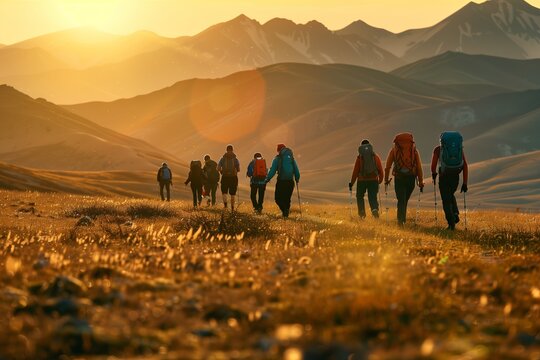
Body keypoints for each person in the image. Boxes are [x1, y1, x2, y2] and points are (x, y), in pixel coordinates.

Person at [431, 132, 469, 231]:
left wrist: (434, 174)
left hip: (443, 177)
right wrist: (465, 183)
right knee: (450, 194)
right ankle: (455, 213)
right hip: (455, 176)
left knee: (446, 200)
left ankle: (451, 224)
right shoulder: (459, 150)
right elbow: (465, 165)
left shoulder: (438, 149)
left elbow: (433, 165)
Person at [384, 133, 424, 226]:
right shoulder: (414, 151)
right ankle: (402, 220)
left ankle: (400, 221)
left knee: (401, 199)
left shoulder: (394, 150)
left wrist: (386, 179)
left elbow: (388, 166)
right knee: (404, 200)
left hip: (399, 177)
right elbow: (419, 167)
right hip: (411, 177)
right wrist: (421, 181)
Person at [349, 140, 384, 219]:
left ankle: (362, 214)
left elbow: (355, 171)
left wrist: (351, 183)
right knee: (372, 196)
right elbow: (380, 169)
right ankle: (374, 210)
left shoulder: (360, 158)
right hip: (373, 180)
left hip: (362, 180)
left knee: (360, 196)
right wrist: (380, 180)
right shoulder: (375, 156)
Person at [265, 144, 300, 218]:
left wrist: (267, 178)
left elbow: (272, 170)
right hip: (290, 182)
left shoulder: (277, 159)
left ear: (278, 150)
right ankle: (286, 213)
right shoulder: (291, 158)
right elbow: (296, 170)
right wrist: (297, 178)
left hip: (281, 181)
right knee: (287, 199)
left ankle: (284, 212)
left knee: (278, 198)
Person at [218, 144, 240, 210]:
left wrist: (222, 171)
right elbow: (238, 169)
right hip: (233, 178)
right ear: (232, 150)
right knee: (232, 193)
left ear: (226, 150)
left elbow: (218, 168)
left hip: (225, 177)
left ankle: (225, 206)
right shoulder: (235, 159)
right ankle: (232, 207)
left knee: (224, 192)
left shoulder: (222, 159)